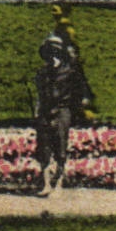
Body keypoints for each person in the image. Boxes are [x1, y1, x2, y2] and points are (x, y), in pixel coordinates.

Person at [34, 31, 89, 196]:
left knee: (60, 147)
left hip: (62, 110)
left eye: (54, 50)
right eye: (49, 50)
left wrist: (75, 107)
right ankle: (45, 184)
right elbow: (39, 94)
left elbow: (81, 93)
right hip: (45, 111)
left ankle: (58, 182)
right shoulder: (42, 73)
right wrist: (38, 110)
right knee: (43, 147)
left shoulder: (70, 72)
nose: (51, 54)